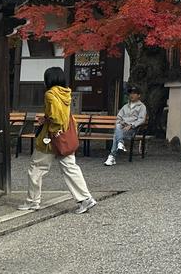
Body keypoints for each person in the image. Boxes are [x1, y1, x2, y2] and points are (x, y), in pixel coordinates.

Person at [19, 67, 96, 213]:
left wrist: (49, 124)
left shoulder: (50, 94)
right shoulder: (66, 93)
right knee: (70, 167)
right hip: (65, 138)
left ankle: (32, 201)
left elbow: (57, 118)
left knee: (36, 168)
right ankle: (85, 198)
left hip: (50, 138)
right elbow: (63, 115)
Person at [104, 85, 147, 166]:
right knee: (118, 126)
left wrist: (131, 125)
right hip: (122, 128)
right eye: (130, 93)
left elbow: (141, 119)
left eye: (134, 93)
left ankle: (112, 156)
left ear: (139, 95)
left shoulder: (142, 107)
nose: (132, 95)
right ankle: (119, 144)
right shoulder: (125, 106)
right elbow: (118, 118)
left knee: (116, 134)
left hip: (132, 130)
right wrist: (122, 123)